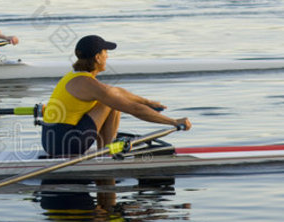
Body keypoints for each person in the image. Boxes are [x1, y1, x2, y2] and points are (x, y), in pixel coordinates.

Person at [42, 35, 191, 156]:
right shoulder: (88, 84)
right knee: (110, 102)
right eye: (105, 52)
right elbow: (135, 110)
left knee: (111, 97)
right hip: (66, 144)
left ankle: (105, 150)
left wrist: (147, 102)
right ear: (97, 58)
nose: (108, 56)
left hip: (52, 141)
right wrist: (174, 121)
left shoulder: (76, 77)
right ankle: (107, 152)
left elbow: (116, 91)